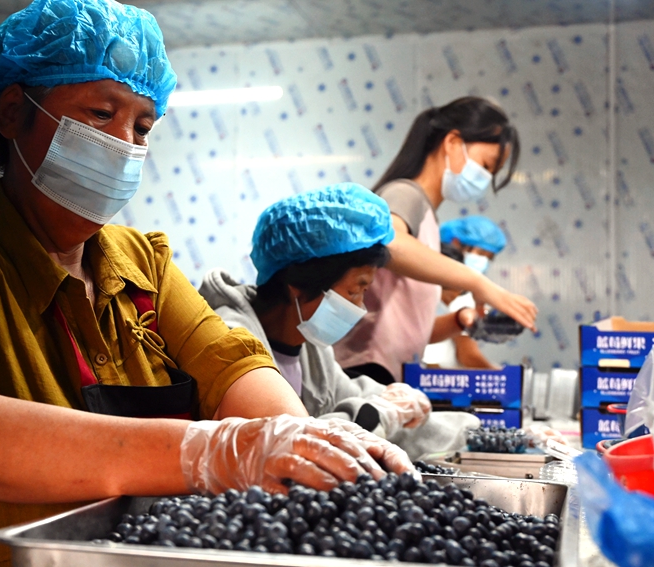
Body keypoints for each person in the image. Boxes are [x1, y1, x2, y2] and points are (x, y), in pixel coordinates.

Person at [0, 1, 412, 565]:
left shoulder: (143, 262)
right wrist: (217, 450)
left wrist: (300, 440)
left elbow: (231, 363)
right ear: (12, 113)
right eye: (101, 114)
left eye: (143, 126)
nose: (125, 144)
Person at [200, 184, 480, 460]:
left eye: (364, 292)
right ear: (298, 284)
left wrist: (470, 432)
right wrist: (383, 411)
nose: (359, 306)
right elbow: (287, 441)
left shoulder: (311, 349)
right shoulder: (233, 339)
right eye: (353, 291)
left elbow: (347, 395)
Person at [333, 96, 538, 384]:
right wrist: (478, 283)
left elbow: (411, 329)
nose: (486, 179)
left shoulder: (427, 214)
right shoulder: (405, 194)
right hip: (364, 372)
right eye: (486, 166)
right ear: (452, 142)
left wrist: (459, 320)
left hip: (390, 374)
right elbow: (389, 242)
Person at [423, 216, 508, 369]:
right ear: (456, 243)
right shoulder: (456, 299)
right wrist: (503, 378)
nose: (483, 262)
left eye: (489, 258)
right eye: (481, 253)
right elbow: (468, 356)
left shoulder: (465, 299)